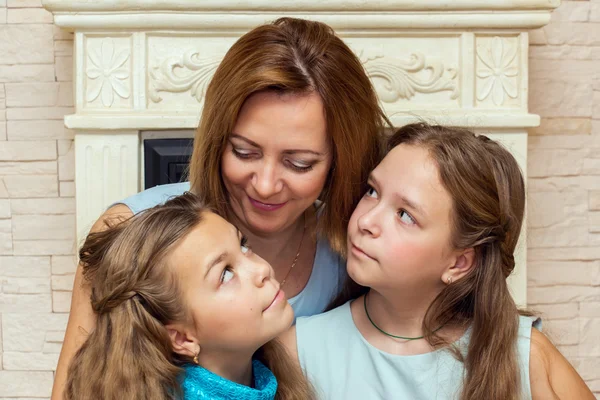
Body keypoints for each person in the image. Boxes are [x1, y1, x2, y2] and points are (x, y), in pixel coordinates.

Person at [52, 17, 389, 398]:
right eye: (244, 152)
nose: (264, 184)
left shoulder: (357, 247)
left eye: (299, 164)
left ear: (338, 163)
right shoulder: (128, 232)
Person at [281, 123, 595, 400]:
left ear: (459, 264)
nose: (366, 220)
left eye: (405, 215)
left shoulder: (526, 356)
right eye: (373, 191)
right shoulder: (300, 351)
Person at [65, 192, 313, 400]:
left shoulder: (266, 377)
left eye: (244, 245)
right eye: (225, 274)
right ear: (182, 338)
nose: (262, 269)